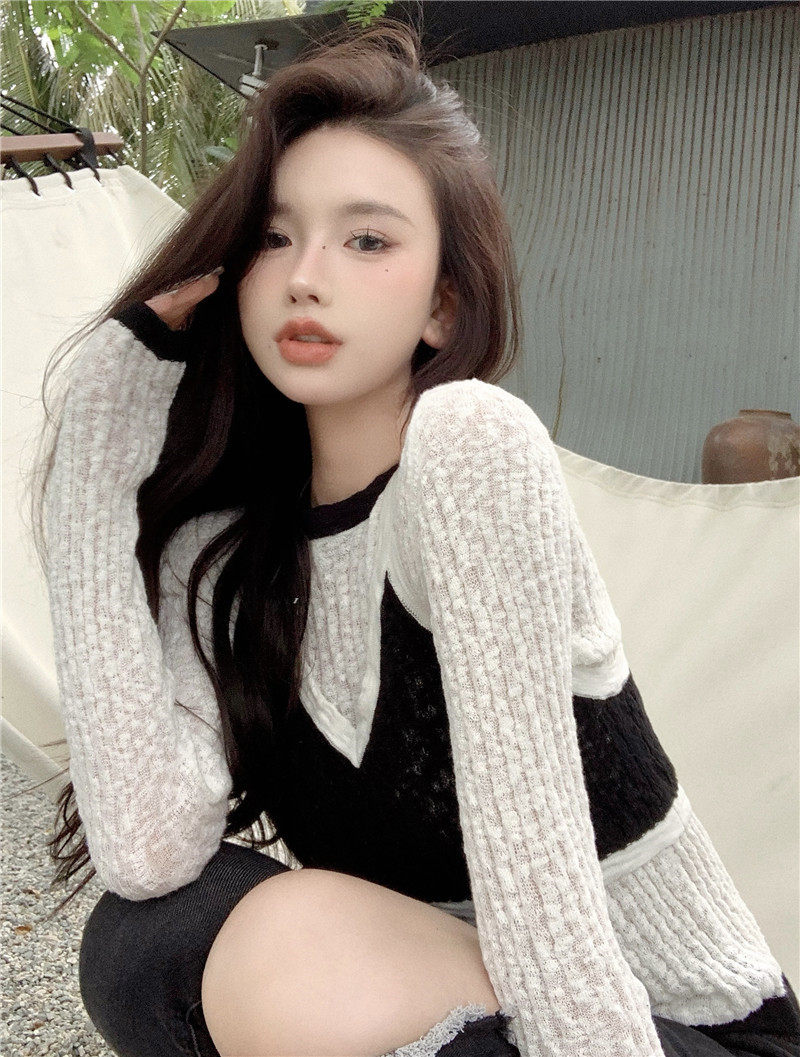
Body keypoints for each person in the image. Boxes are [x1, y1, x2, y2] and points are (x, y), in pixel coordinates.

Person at [27, 16, 800, 1057]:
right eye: (273, 236)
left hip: (647, 1028)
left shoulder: (468, 448)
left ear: (443, 304)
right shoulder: (222, 552)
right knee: (140, 943)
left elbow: (537, 883)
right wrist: (94, 455)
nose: (306, 275)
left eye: (367, 240)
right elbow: (146, 849)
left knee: (286, 944)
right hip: (457, 1006)